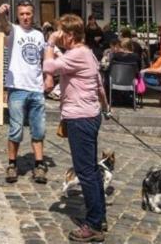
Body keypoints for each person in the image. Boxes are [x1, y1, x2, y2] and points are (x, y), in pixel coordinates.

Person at [43, 15, 111, 242]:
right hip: (90, 114)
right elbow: (99, 84)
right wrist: (105, 107)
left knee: (85, 173)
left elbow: (49, 66)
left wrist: (51, 42)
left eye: (61, 31)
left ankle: (93, 225)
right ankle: (99, 217)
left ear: (70, 35)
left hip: (80, 118)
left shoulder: (77, 54)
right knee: (91, 170)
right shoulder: (87, 52)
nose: (58, 34)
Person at [0, 1, 48, 185]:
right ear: (18, 16)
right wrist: (2, 15)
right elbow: (4, 26)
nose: (25, 17)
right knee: (16, 129)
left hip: (36, 88)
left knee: (38, 129)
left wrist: (48, 77)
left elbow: (43, 58)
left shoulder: (38, 35)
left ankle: (39, 164)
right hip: (18, 88)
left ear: (33, 15)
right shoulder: (13, 31)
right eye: (22, 14)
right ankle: (12, 164)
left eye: (28, 13)